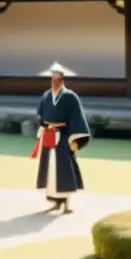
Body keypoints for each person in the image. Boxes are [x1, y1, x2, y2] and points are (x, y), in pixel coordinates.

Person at [31, 62, 91, 214]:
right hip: (49, 136)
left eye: (58, 79)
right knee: (50, 170)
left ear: (63, 80)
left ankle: (66, 203)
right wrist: (44, 125)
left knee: (64, 169)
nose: (55, 82)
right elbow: (40, 114)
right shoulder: (46, 96)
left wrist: (74, 139)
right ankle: (55, 202)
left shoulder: (71, 97)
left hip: (63, 137)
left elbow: (77, 118)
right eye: (52, 79)